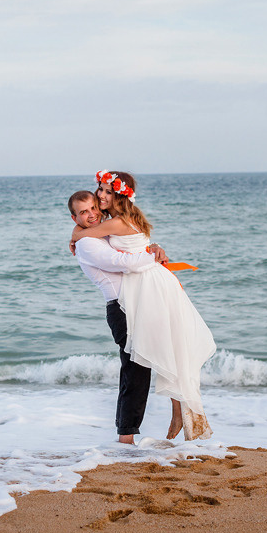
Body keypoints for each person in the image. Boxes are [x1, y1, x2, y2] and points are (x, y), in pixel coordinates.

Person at [70, 171, 215, 441]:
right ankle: (176, 411)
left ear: (119, 195)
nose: (101, 196)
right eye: (99, 190)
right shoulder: (128, 218)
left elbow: (84, 233)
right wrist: (152, 250)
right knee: (165, 352)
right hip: (153, 286)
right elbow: (124, 243)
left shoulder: (114, 224)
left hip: (148, 288)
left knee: (153, 357)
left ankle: (146, 427)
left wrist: (75, 232)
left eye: (106, 192)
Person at [69, 190, 167, 445]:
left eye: (92, 208)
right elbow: (124, 262)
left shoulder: (101, 232)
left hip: (133, 305)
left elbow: (130, 245)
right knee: (136, 370)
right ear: (74, 217)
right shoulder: (87, 243)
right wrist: (154, 256)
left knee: (133, 370)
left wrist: (151, 246)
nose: (90, 215)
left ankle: (125, 433)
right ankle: (126, 437)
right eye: (83, 212)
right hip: (121, 309)